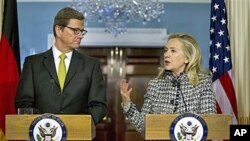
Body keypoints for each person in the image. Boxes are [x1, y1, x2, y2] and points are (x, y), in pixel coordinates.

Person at [15, 7, 107, 124]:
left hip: (78, 134)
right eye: (75, 30)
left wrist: (77, 124)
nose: (80, 35)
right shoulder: (33, 63)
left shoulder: (91, 65)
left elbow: (99, 106)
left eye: (82, 31)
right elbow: (23, 103)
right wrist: (46, 123)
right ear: (59, 30)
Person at [120, 33, 216, 133]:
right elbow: (144, 127)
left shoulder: (203, 83)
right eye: (166, 50)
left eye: (173, 51)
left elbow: (210, 124)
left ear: (187, 58)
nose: (166, 54)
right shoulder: (155, 85)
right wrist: (127, 104)